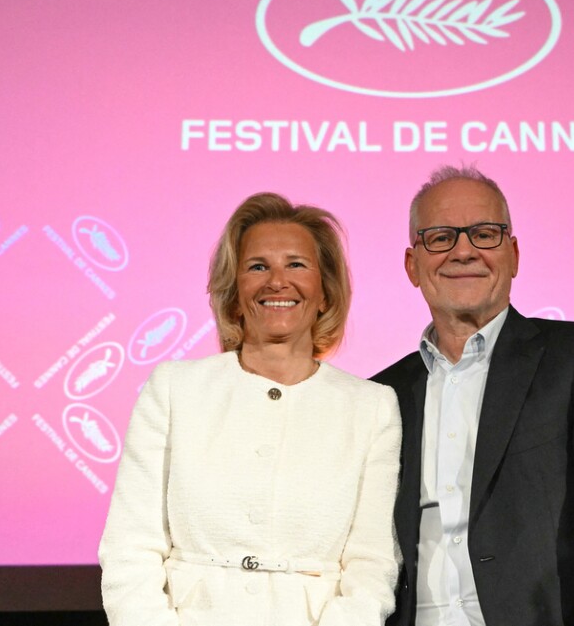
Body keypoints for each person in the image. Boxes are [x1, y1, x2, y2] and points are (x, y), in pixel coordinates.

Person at [372, 166, 574, 626]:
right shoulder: (381, 394)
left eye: (485, 234)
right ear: (412, 264)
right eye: (440, 237)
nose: (464, 250)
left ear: (513, 254)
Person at [99, 192, 402, 626]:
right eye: (258, 266)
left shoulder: (372, 407)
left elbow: (372, 566)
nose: (277, 282)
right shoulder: (173, 390)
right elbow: (130, 547)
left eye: (296, 264)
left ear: (325, 293)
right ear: (235, 294)